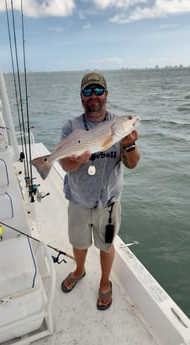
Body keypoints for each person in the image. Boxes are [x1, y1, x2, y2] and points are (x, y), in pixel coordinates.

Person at [60, 71, 140, 310]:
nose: (92, 96)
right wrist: (77, 161)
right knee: (79, 243)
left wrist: (130, 144)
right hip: (78, 200)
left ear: (105, 94)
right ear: (81, 96)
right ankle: (79, 270)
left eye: (97, 90)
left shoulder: (120, 126)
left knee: (106, 245)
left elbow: (132, 163)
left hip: (108, 203)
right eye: (87, 91)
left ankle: (105, 282)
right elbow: (65, 164)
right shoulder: (71, 126)